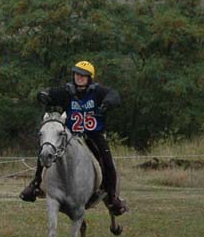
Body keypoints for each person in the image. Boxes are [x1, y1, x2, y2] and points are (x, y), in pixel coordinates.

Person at [19, 60, 128, 215]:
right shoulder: (68, 91)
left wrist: (106, 104)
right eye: (77, 74)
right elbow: (53, 93)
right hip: (70, 135)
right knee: (45, 150)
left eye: (83, 75)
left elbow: (114, 95)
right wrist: (44, 95)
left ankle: (112, 198)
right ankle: (36, 184)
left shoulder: (98, 92)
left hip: (93, 135)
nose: (79, 78)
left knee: (108, 162)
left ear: (90, 78)